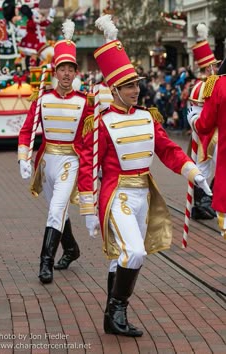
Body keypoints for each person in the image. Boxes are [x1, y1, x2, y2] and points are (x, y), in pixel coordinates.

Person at [79, 14, 212, 338]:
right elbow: (87, 163)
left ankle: (112, 319)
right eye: (128, 86)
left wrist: (192, 171)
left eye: (136, 84)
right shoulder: (102, 122)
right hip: (116, 195)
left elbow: (167, 150)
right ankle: (118, 309)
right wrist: (88, 209)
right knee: (135, 252)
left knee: (120, 257)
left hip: (143, 194)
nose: (136, 90)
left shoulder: (147, 117)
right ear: (115, 88)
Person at [18, 19, 95, 284]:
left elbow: (89, 138)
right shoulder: (42, 99)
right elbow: (27, 130)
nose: (65, 73)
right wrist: (23, 157)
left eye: (70, 69)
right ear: (55, 71)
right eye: (62, 68)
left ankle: (45, 263)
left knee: (57, 209)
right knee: (57, 210)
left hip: (69, 162)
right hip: (46, 161)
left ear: (75, 73)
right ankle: (71, 249)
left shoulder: (85, 103)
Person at [187, 58, 226, 240]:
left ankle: (205, 201)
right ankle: (202, 201)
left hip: (215, 136)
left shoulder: (217, 85)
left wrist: (193, 120)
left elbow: (204, 123)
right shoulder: (207, 85)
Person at [188, 23, 220, 220]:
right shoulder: (202, 86)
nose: (216, 68)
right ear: (208, 67)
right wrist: (200, 126)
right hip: (208, 134)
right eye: (214, 65)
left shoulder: (214, 83)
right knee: (203, 169)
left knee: (207, 168)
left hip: (215, 132)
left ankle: (209, 199)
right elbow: (194, 114)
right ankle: (202, 202)